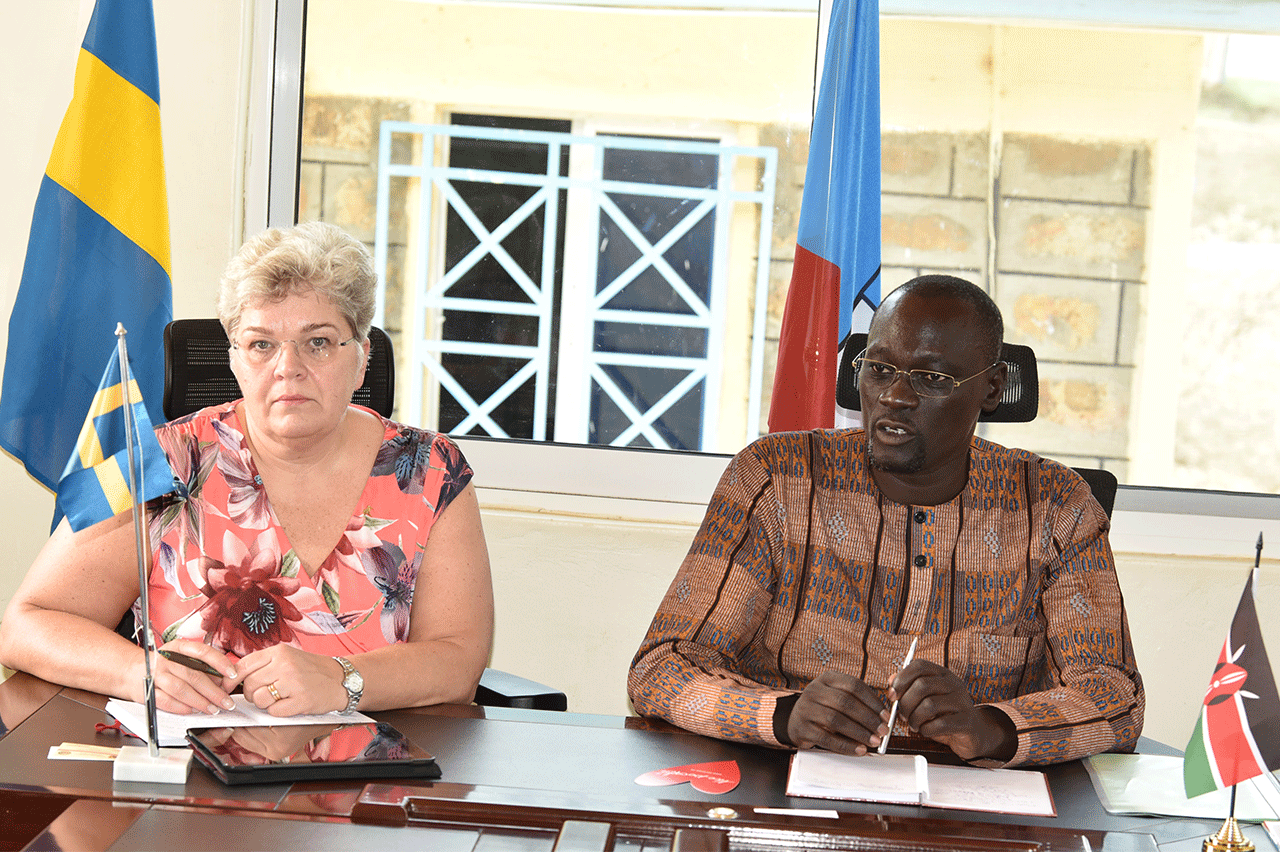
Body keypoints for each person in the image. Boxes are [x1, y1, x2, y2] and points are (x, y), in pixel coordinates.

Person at [627, 274, 1143, 767]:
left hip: (969, 801)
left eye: (932, 378)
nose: (894, 396)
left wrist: (990, 728)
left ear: (991, 388)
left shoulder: (1056, 505)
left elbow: (1115, 696)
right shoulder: (775, 477)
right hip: (791, 783)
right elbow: (662, 667)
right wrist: (784, 715)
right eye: (879, 369)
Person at [0, 222, 494, 718]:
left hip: (373, 761)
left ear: (362, 359)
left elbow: (459, 660)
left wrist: (342, 679)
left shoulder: (432, 471)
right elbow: (27, 624)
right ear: (234, 361)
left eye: (318, 342)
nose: (287, 367)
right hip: (192, 759)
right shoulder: (162, 462)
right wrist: (138, 671)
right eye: (261, 344)